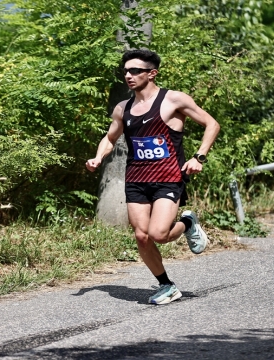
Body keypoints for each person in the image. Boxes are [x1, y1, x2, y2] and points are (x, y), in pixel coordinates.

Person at [86, 49, 220, 305]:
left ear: (152, 73)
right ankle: (167, 285)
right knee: (141, 235)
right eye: (125, 70)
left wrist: (199, 157)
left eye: (135, 70)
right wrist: (98, 157)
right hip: (136, 178)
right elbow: (110, 138)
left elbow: (212, 124)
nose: (128, 75)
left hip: (169, 177)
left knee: (159, 234)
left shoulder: (173, 100)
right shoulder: (123, 108)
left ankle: (188, 224)